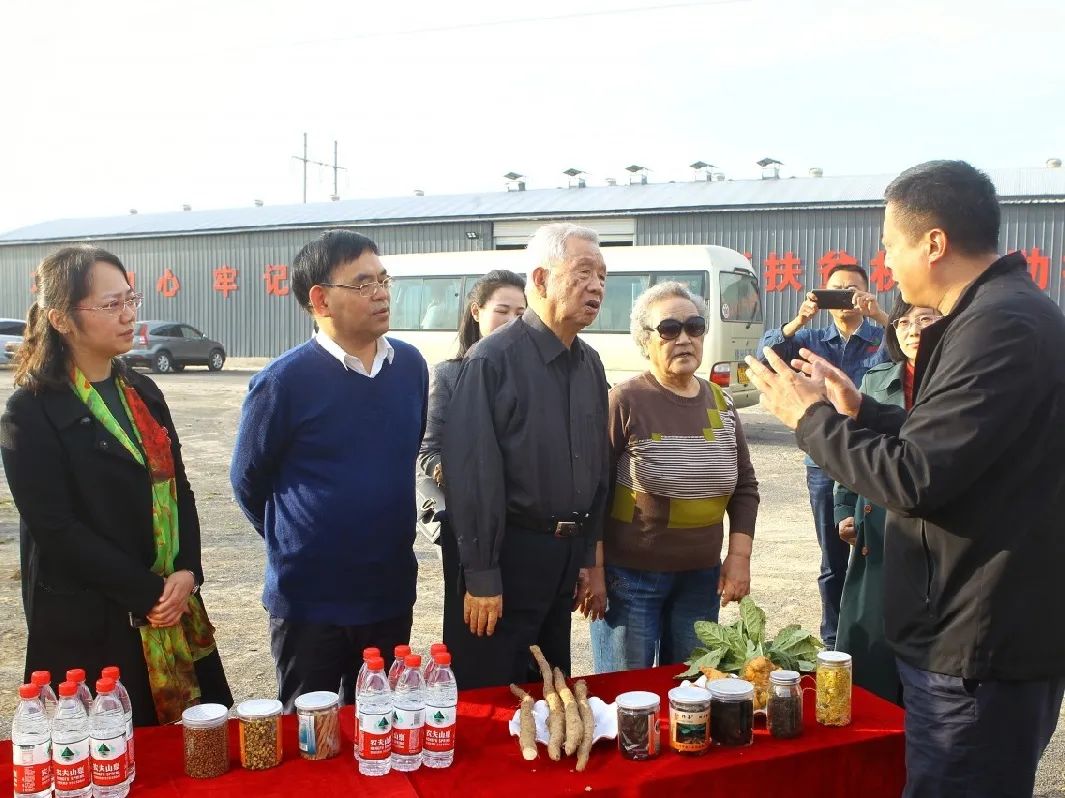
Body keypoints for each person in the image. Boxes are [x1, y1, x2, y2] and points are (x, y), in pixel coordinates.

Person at [746, 160, 1065, 798]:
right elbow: (956, 443)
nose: (886, 263)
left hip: (976, 640)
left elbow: (916, 477)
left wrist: (806, 419)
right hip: (975, 628)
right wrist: (864, 412)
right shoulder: (997, 313)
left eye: (890, 244)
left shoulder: (998, 325)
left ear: (935, 243)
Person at [0, 245, 231, 726]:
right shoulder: (32, 411)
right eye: (111, 305)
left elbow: (180, 490)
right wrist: (147, 592)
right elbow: (56, 528)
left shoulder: (143, 392)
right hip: (94, 619)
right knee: (110, 752)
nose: (129, 316)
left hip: (171, 600)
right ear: (62, 318)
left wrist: (187, 571)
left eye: (131, 299)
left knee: (199, 747)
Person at [230, 229, 428, 710]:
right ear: (320, 299)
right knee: (312, 736)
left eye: (383, 279)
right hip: (309, 601)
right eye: (363, 284)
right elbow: (247, 480)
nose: (380, 293)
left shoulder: (410, 367)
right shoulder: (284, 382)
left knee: (379, 721)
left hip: (387, 591)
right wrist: (295, 536)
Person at [440, 222, 610, 689]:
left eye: (601, 276)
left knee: (550, 685)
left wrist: (589, 558)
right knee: (492, 691)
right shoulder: (492, 361)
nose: (596, 285)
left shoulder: (589, 364)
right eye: (582, 272)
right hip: (507, 554)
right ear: (540, 279)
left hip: (562, 559)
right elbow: (472, 478)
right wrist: (481, 574)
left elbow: (599, 469)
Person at [590, 282, 759, 672]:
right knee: (626, 700)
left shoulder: (721, 402)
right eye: (669, 329)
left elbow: (745, 488)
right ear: (644, 340)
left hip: (700, 580)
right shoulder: (626, 400)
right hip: (630, 581)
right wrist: (594, 569)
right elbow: (595, 490)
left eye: (694, 327)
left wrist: (738, 557)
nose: (684, 338)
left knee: (690, 702)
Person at [759, 263, 889, 648]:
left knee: (875, 550)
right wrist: (798, 319)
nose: (844, 295)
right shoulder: (813, 336)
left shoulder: (881, 335)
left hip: (871, 455)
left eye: (852, 289)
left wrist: (880, 315)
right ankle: (834, 641)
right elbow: (767, 354)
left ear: (865, 293)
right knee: (832, 559)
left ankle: (873, 638)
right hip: (822, 459)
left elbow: (909, 349)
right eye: (836, 289)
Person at [832, 298, 940, 704]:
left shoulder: (958, 381)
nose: (914, 329)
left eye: (926, 319)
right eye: (904, 322)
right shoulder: (875, 380)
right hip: (875, 527)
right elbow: (852, 450)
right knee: (870, 647)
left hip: (931, 526)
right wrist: (844, 509)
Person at [416, 270, 527, 648]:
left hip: (526, 529)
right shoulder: (450, 374)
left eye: (521, 313)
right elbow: (428, 451)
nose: (512, 322)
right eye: (503, 311)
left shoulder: (534, 377)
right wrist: (478, 481)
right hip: (471, 529)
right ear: (477, 312)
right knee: (478, 638)